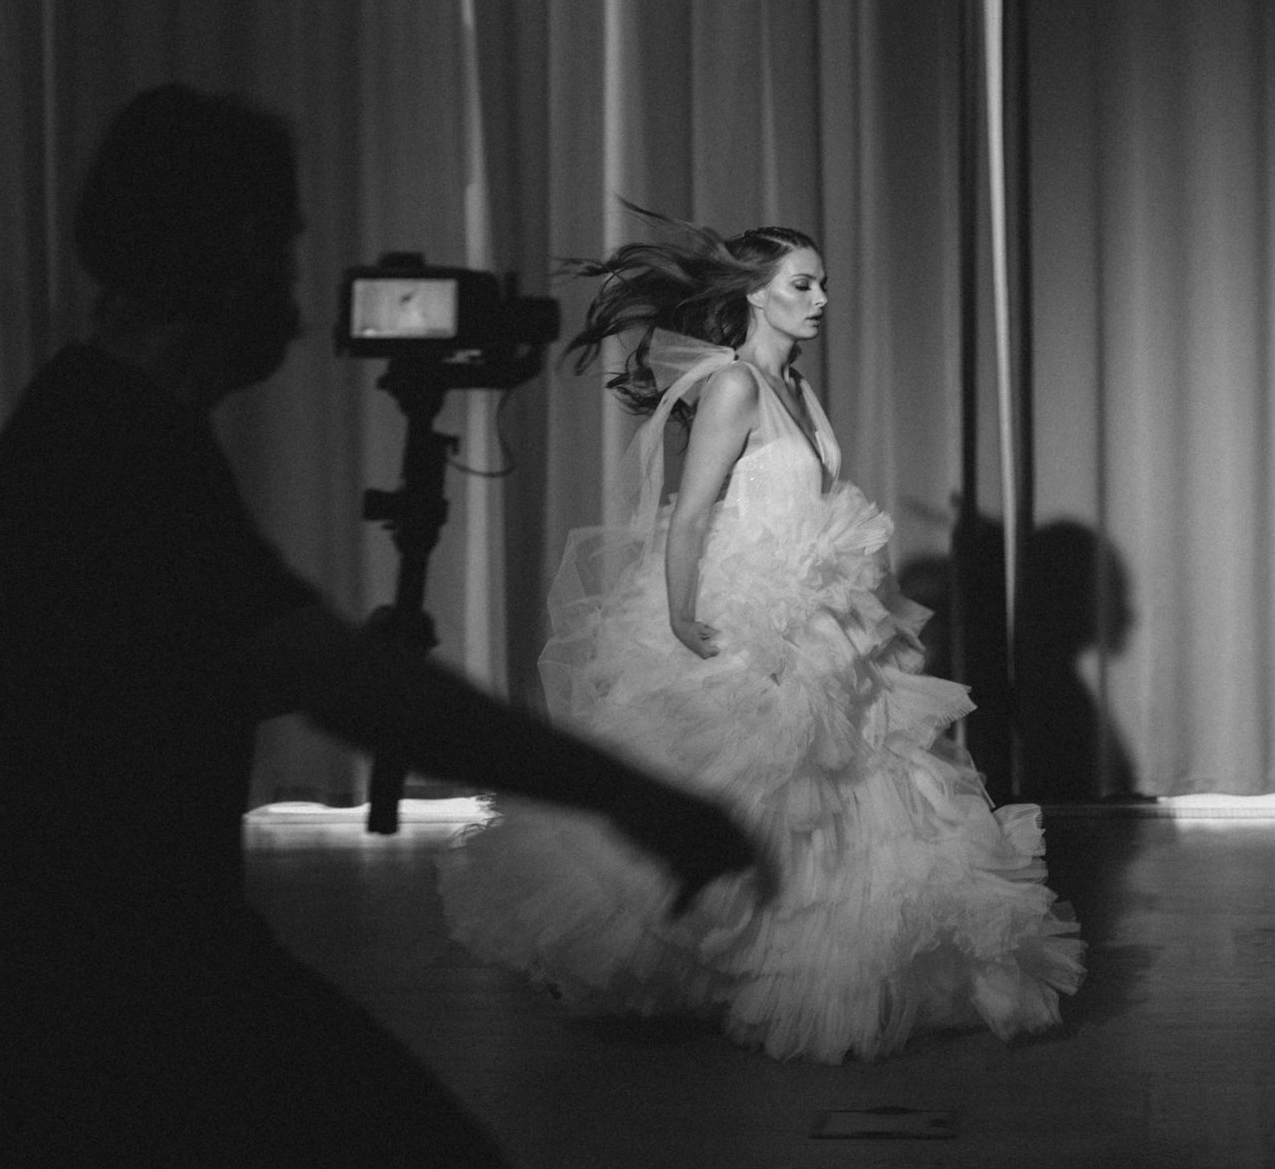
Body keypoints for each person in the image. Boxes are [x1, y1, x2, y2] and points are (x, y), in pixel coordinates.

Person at [0, 88, 772, 1169]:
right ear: (240, 250)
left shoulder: (84, 419)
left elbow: (104, 695)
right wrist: (642, 798)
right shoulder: (123, 449)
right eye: (290, 246)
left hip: (86, 986)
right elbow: (353, 688)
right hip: (116, 996)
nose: (302, 291)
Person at [438, 212, 1085, 1063]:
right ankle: (728, 966)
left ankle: (796, 963)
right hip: (744, 612)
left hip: (820, 618)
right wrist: (678, 614)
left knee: (842, 794)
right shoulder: (735, 385)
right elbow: (692, 509)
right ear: (752, 293)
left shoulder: (797, 388)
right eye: (801, 285)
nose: (820, 300)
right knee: (751, 784)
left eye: (821, 284)